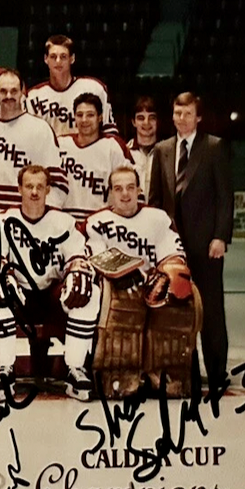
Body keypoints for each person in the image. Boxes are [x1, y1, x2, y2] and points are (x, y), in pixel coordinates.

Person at [0, 164, 99, 401]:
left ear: (48, 190)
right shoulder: (3, 220)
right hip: (19, 294)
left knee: (89, 292)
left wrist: (77, 272)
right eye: (29, 186)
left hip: (52, 293)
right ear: (19, 189)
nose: (34, 192)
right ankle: (5, 369)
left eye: (39, 187)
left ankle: (75, 369)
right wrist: (3, 276)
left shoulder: (63, 222)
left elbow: (78, 257)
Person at [148, 92, 233, 391]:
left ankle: (218, 372)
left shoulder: (214, 147)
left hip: (207, 245)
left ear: (198, 117)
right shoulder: (162, 150)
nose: (181, 118)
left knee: (210, 311)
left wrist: (220, 237)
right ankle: (188, 373)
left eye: (186, 113)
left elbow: (225, 198)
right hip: (172, 248)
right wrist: (156, 242)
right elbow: (155, 201)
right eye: (177, 113)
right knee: (177, 312)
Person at [88, 165, 196, 397]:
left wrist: (168, 273)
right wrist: (127, 273)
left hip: (155, 284)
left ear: (139, 190)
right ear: (110, 192)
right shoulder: (97, 222)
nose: (125, 194)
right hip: (118, 286)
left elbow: (173, 252)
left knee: (178, 294)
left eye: (130, 187)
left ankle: (168, 377)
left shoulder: (158, 218)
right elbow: (97, 257)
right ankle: (119, 377)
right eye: (118, 189)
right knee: (122, 303)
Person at [0, 69, 68, 214]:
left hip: (27, 219)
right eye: (3, 91)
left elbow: (57, 182)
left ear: (22, 92)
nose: (8, 96)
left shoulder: (40, 130)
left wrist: (42, 216)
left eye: (14, 91)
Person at [57, 93, 135, 221]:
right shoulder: (60, 145)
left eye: (90, 115)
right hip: (65, 221)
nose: (84, 120)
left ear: (100, 117)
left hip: (102, 222)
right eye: (79, 115)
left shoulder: (113, 147)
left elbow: (131, 185)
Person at [27, 35, 117, 137]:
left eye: (63, 56)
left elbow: (110, 132)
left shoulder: (94, 89)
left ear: (72, 58)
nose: (58, 61)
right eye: (53, 57)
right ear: (45, 59)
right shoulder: (33, 96)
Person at [128, 96, 159, 193]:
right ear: (133, 122)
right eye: (141, 118)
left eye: (152, 118)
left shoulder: (167, 153)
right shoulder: (124, 152)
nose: (146, 123)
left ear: (157, 121)